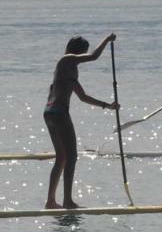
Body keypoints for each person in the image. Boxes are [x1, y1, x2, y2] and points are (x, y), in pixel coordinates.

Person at [43, 33, 119, 209]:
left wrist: (108, 106)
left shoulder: (67, 69)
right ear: (77, 51)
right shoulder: (67, 59)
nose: (83, 56)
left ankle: (50, 201)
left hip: (49, 113)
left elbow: (83, 97)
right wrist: (107, 40)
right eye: (82, 52)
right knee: (72, 157)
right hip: (59, 113)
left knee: (61, 157)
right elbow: (94, 56)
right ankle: (67, 201)